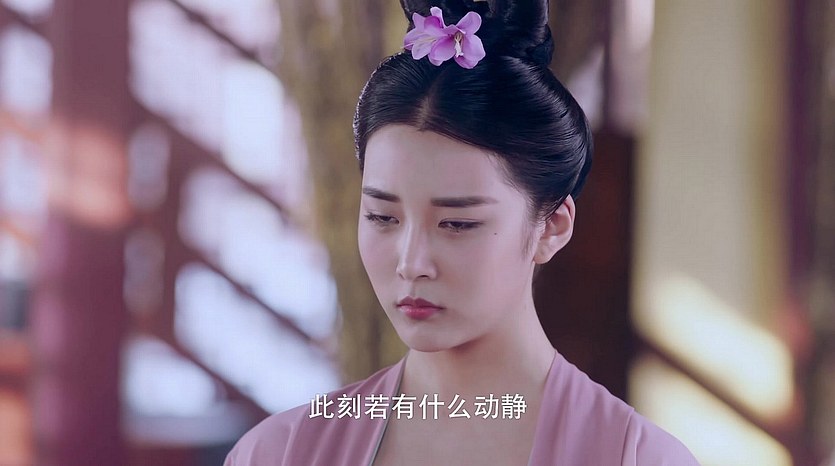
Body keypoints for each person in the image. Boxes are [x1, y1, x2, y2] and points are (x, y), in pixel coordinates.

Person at [225, 0, 701, 464]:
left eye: (457, 223)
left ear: (552, 226)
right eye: (382, 217)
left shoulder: (635, 456)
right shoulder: (281, 451)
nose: (411, 263)